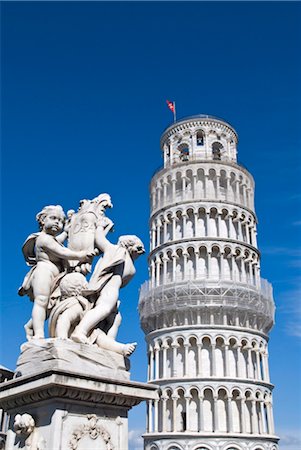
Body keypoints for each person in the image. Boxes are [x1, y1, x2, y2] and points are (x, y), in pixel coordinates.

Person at [19, 205, 94, 339]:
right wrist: (82, 255)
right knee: (41, 301)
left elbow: (58, 242)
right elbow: (62, 251)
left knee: (49, 305)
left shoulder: (52, 239)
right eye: (53, 218)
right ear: (42, 220)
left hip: (56, 276)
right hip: (44, 272)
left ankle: (30, 326)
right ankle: (39, 333)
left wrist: (66, 232)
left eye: (60, 221)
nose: (57, 223)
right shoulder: (43, 238)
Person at [71, 225, 145, 345]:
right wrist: (101, 226)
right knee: (103, 309)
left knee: (116, 318)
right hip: (108, 289)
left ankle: (108, 343)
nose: (142, 252)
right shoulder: (115, 250)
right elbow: (100, 239)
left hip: (114, 290)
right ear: (129, 245)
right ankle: (80, 331)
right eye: (139, 247)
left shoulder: (130, 262)